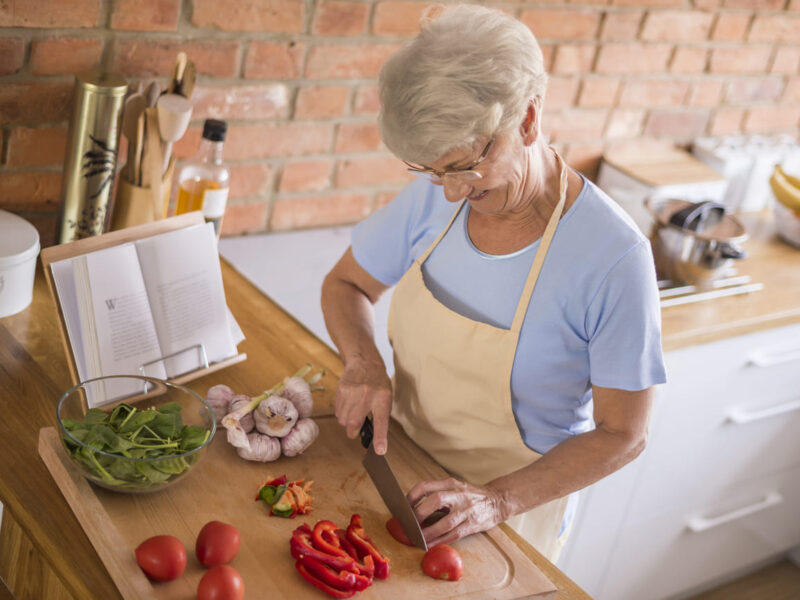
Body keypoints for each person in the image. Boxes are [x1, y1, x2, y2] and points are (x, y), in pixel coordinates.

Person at [321, 4, 666, 562]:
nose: (451, 193)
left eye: (464, 168)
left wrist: (495, 502)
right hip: (402, 471)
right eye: (433, 172)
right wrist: (363, 363)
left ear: (527, 119)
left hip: (511, 518)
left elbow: (623, 434)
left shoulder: (613, 258)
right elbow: (345, 285)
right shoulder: (437, 193)